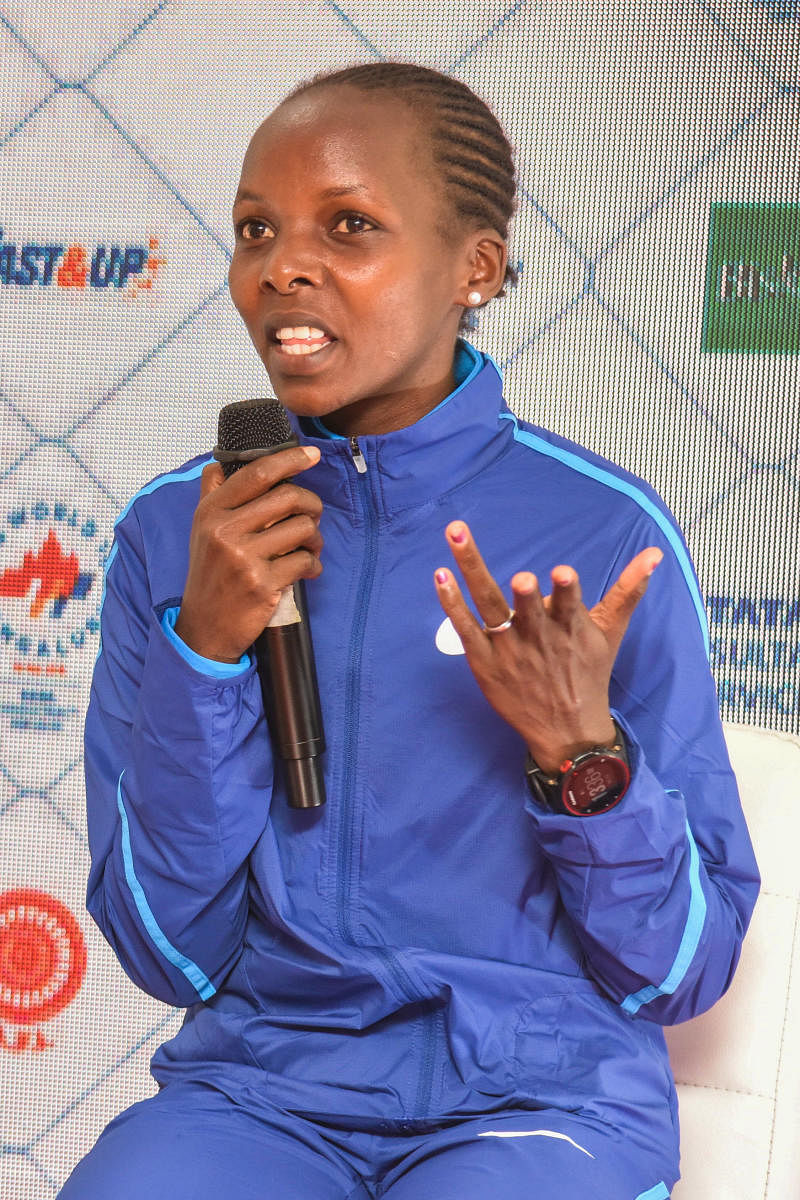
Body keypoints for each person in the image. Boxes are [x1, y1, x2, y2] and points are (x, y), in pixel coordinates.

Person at [60, 62, 759, 1200]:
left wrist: (578, 754)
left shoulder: (603, 526)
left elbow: (678, 970)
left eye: (348, 225)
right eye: (254, 229)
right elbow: (165, 951)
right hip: (262, 1094)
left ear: (473, 270)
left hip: (541, 1104)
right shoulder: (173, 537)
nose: (281, 264)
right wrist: (207, 653)